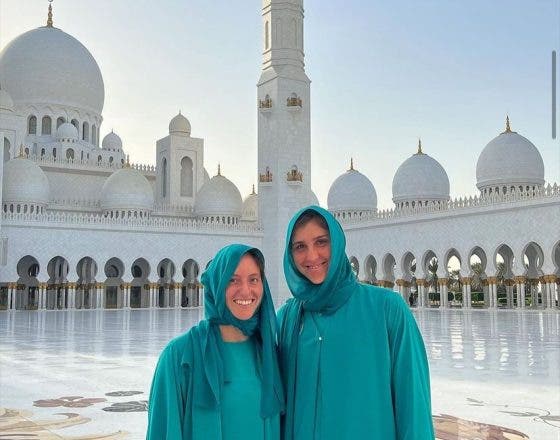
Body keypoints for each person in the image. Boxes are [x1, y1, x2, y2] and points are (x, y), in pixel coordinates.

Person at [278, 206, 434, 440]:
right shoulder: (286, 319)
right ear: (290, 255)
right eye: (300, 246)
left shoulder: (386, 309)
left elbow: (413, 407)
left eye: (321, 242)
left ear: (338, 244)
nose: (311, 256)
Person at [147, 244, 284, 440]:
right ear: (216, 286)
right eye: (232, 280)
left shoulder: (270, 355)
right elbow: (162, 431)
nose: (245, 291)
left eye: (253, 280)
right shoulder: (180, 356)